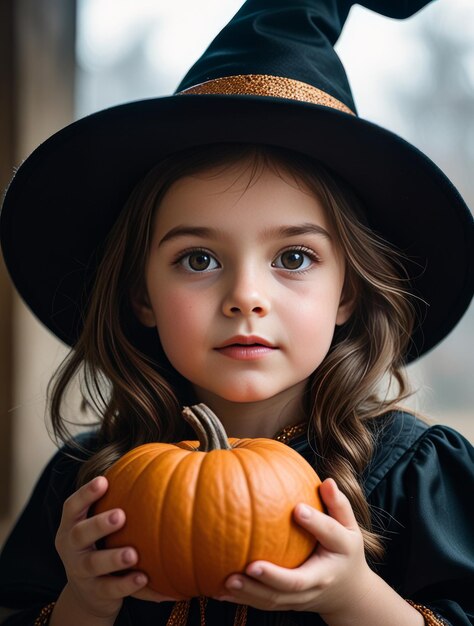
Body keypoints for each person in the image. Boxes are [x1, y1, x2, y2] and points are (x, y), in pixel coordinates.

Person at [0, 0, 473, 625]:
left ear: (348, 293)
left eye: (295, 257)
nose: (245, 296)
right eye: (198, 259)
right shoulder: (87, 486)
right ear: (140, 293)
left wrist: (354, 596)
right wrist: (84, 602)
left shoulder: (414, 475)